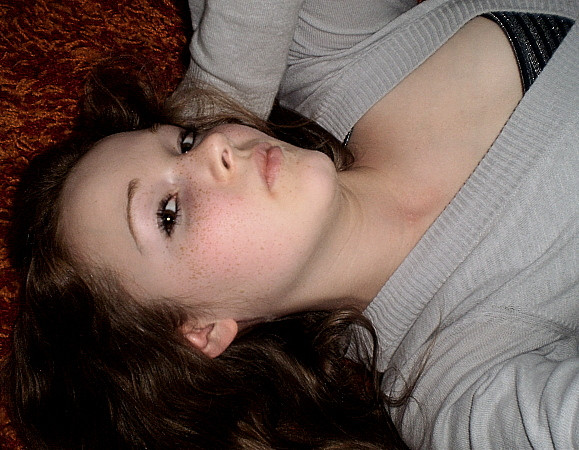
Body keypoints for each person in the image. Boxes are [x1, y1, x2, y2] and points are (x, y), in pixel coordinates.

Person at [3, 0, 577, 449]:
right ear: (200, 332)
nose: (217, 148)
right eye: (168, 214)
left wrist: (219, 89)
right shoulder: (462, 382)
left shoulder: (329, 61)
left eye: (184, 141)